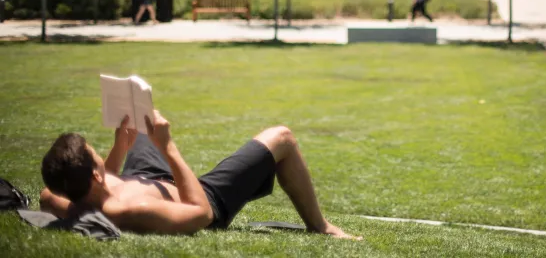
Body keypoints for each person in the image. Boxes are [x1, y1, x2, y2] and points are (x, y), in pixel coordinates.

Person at [39, 112, 360, 239]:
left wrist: (120, 146)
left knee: (142, 122)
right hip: (202, 196)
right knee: (282, 137)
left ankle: (137, 139)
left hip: (141, 177)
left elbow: (47, 195)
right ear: (96, 175)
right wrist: (169, 148)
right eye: (96, 154)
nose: (102, 160)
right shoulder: (128, 210)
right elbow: (201, 213)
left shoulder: (67, 196)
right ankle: (321, 226)